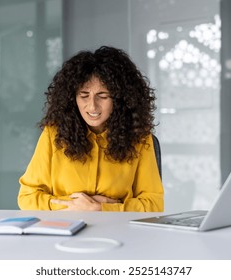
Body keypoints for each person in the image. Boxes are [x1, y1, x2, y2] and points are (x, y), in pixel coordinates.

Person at [17, 46, 164, 211]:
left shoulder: (139, 137)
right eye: (84, 95)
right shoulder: (54, 134)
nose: (92, 106)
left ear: (120, 99)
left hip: (118, 230)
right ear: (72, 98)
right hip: (66, 229)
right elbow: (27, 197)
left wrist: (103, 208)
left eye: (103, 96)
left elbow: (154, 204)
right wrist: (74, 205)